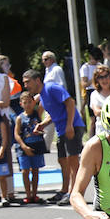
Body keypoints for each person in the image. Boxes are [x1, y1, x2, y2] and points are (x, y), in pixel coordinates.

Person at [22, 69, 84, 204]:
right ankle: (63, 191)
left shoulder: (51, 88)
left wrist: (69, 125)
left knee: (72, 160)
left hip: (72, 127)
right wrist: (42, 125)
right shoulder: (42, 95)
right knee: (63, 161)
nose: (26, 86)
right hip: (61, 130)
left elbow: (70, 102)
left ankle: (74, 193)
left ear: (37, 80)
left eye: (28, 82)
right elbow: (53, 114)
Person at [14, 91, 48, 203]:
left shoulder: (37, 113)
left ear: (34, 103)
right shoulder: (20, 118)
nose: (28, 105)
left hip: (36, 145)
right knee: (25, 171)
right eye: (25, 103)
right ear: (21, 104)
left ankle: (34, 194)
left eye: (30, 102)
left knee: (35, 170)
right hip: (24, 148)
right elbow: (17, 134)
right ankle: (28, 194)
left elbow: (43, 101)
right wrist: (24, 146)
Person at [89, 66, 110, 137]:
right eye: (100, 77)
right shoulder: (94, 94)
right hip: (102, 131)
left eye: (106, 76)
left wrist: (103, 111)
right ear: (97, 80)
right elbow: (97, 112)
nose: (104, 80)